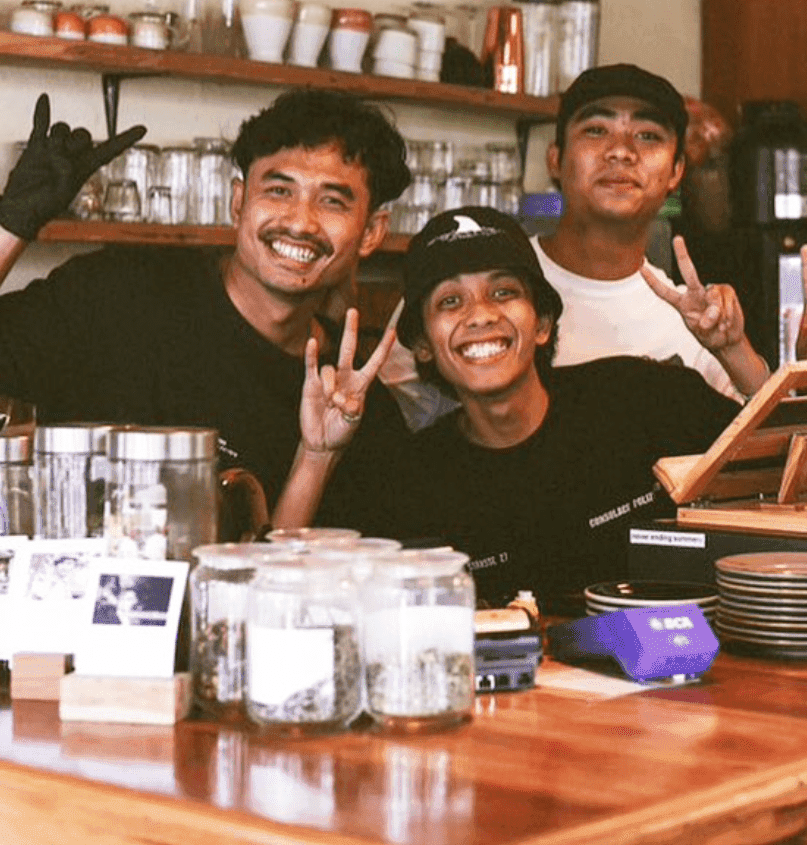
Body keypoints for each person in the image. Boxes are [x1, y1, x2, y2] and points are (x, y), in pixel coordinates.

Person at [273, 207, 744, 610]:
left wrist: (736, 351)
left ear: (541, 322)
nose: (480, 315)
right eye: (450, 301)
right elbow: (276, 596)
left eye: (504, 292)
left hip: (677, 693)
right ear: (422, 346)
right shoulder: (409, 480)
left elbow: (787, 478)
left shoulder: (643, 397)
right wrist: (315, 455)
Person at [0, 89, 413, 518]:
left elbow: (302, 579)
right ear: (238, 202)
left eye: (332, 201)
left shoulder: (356, 411)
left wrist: (318, 455)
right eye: (278, 190)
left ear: (371, 233)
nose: (299, 221)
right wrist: (9, 227)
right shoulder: (117, 289)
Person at [533, 63, 807, 400]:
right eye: (595, 130)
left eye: (647, 136)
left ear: (676, 172)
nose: (621, 151)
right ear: (555, 160)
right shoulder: (499, 287)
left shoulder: (694, 321)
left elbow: (766, 444)